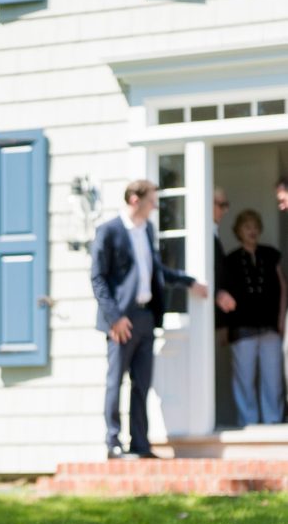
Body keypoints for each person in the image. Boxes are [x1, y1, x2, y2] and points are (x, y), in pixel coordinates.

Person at [91, 179, 208, 459]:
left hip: (146, 317)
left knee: (142, 383)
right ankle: (113, 443)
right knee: (115, 381)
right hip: (122, 320)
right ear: (135, 199)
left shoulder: (147, 230)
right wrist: (115, 318)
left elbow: (156, 271)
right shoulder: (109, 232)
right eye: (152, 199)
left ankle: (140, 444)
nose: (155, 205)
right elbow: (98, 278)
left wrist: (188, 282)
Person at [222, 208, 286, 425]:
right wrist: (224, 328)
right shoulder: (230, 260)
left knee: (273, 379)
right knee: (244, 379)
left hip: (270, 326)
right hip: (242, 327)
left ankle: (273, 421)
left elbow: (282, 287)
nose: (252, 231)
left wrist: (281, 319)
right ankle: (247, 422)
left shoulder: (270, 254)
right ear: (238, 230)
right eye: (247, 227)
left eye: (255, 226)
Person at [213, 189, 237, 426]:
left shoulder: (214, 235)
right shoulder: (200, 236)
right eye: (221, 204)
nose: (224, 210)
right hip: (204, 321)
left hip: (218, 322)